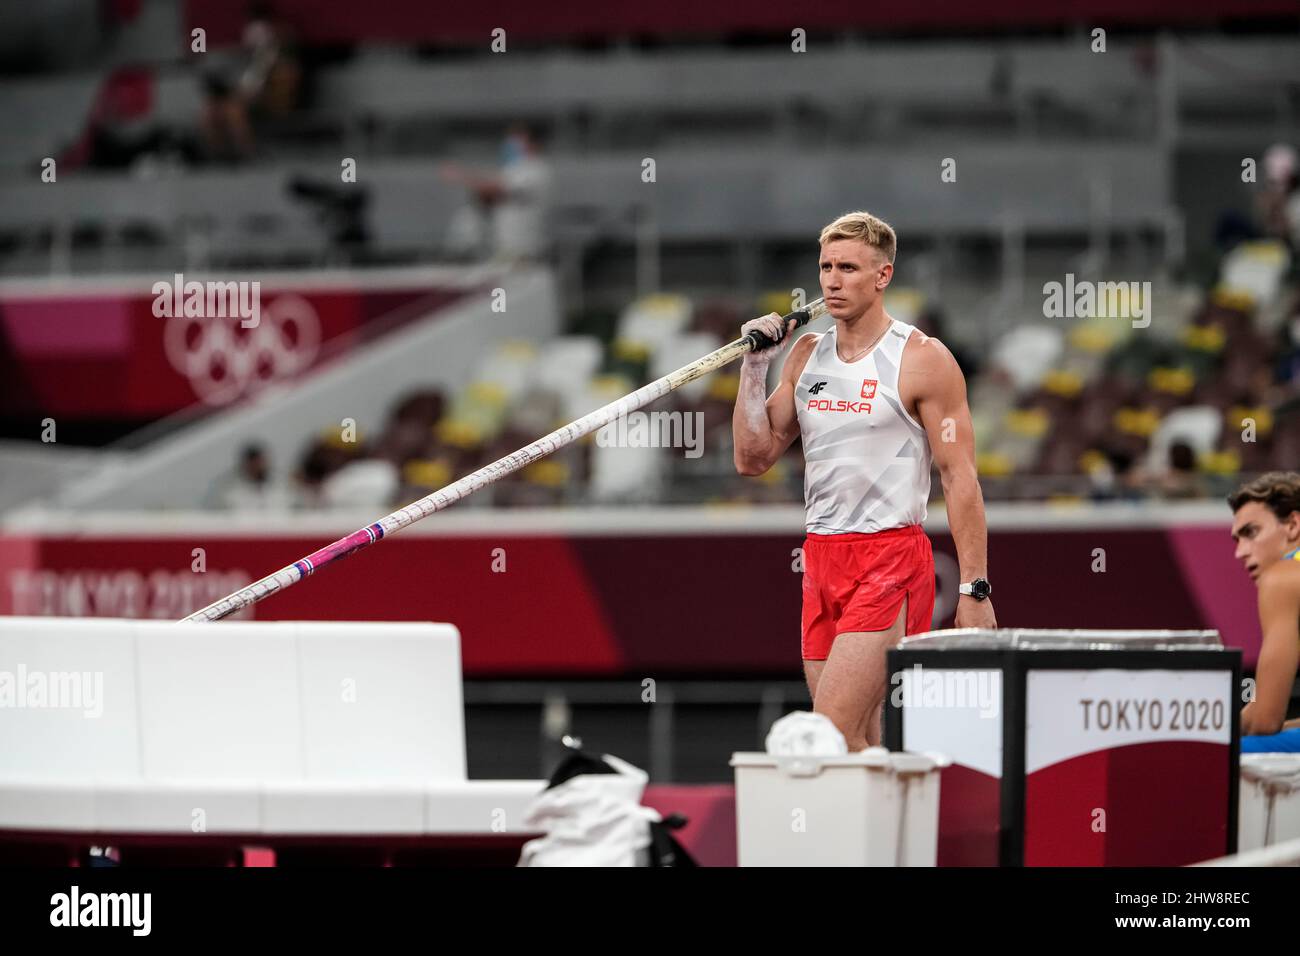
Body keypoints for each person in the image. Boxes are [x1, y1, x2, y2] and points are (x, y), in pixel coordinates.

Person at [732, 210, 996, 750]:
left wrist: (974, 588)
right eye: (826, 266)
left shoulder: (922, 360)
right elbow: (753, 458)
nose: (832, 280)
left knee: (825, 732)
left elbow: (960, 477)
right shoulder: (806, 355)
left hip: (889, 557)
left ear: (883, 276)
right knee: (860, 741)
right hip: (821, 557)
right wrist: (755, 369)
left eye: (849, 267)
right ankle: (895, 832)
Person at [1228, 472, 1300, 750]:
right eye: (1237, 540)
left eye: (1251, 533)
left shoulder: (1282, 577)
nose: (1240, 552)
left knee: (1218, 756)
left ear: (1293, 525)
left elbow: (1265, 723)